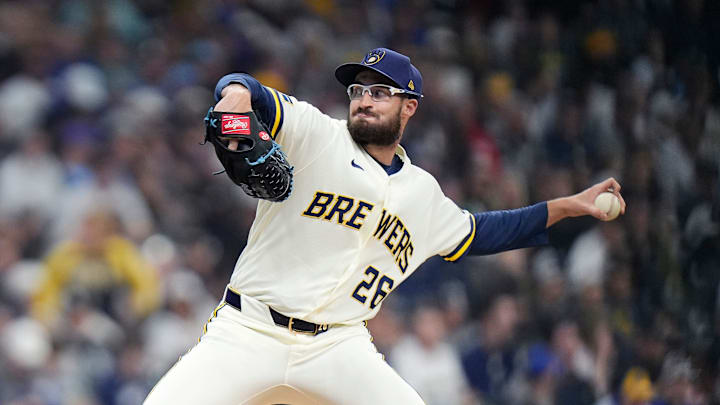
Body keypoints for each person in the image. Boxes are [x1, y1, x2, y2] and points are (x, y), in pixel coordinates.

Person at [144, 47, 626, 405]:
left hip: (338, 343)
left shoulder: (422, 194)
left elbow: (486, 232)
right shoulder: (317, 134)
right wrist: (231, 97)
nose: (364, 100)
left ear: (409, 106)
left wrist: (566, 206)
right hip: (249, 328)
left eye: (379, 92)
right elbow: (244, 86)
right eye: (357, 91)